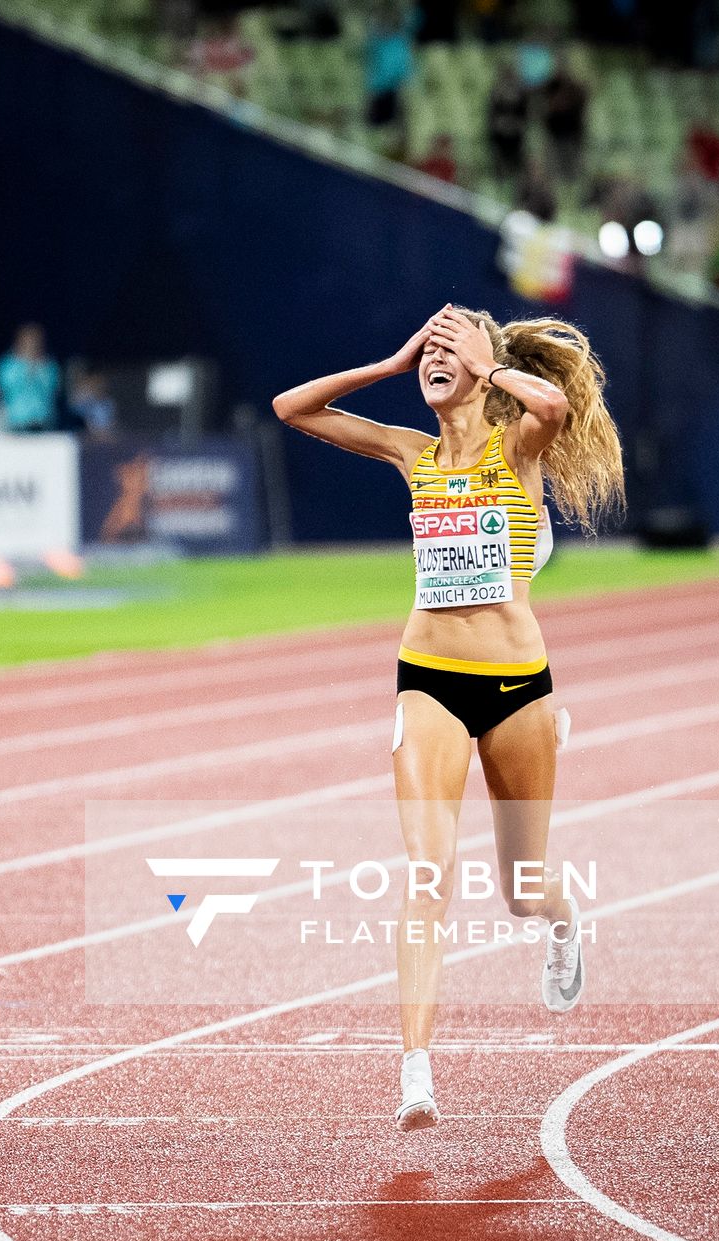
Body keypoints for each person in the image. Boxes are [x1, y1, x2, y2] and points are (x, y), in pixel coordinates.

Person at [272, 304, 624, 1129]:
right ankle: (415, 1073)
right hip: (427, 677)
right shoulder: (412, 452)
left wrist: (490, 361)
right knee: (427, 875)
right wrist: (392, 364)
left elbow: (554, 409)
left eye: (447, 347)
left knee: (522, 891)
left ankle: (564, 925)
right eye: (430, 347)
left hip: (516, 691)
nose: (437, 356)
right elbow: (294, 409)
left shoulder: (516, 449)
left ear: (480, 364)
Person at [0, 323, 60, 432]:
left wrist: (38, 367)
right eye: (29, 339)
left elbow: (53, 391)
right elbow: (5, 389)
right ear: (19, 340)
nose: (32, 343)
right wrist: (26, 367)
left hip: (44, 424)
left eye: (36, 339)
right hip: (16, 426)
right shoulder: (7, 364)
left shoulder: (49, 365)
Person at [486, 62, 529, 181]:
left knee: (516, 164)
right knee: (500, 162)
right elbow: (492, 113)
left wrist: (515, 124)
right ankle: (500, 178)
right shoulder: (496, 92)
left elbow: (524, 113)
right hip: (500, 135)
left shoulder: (521, 92)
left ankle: (516, 180)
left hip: (515, 135)